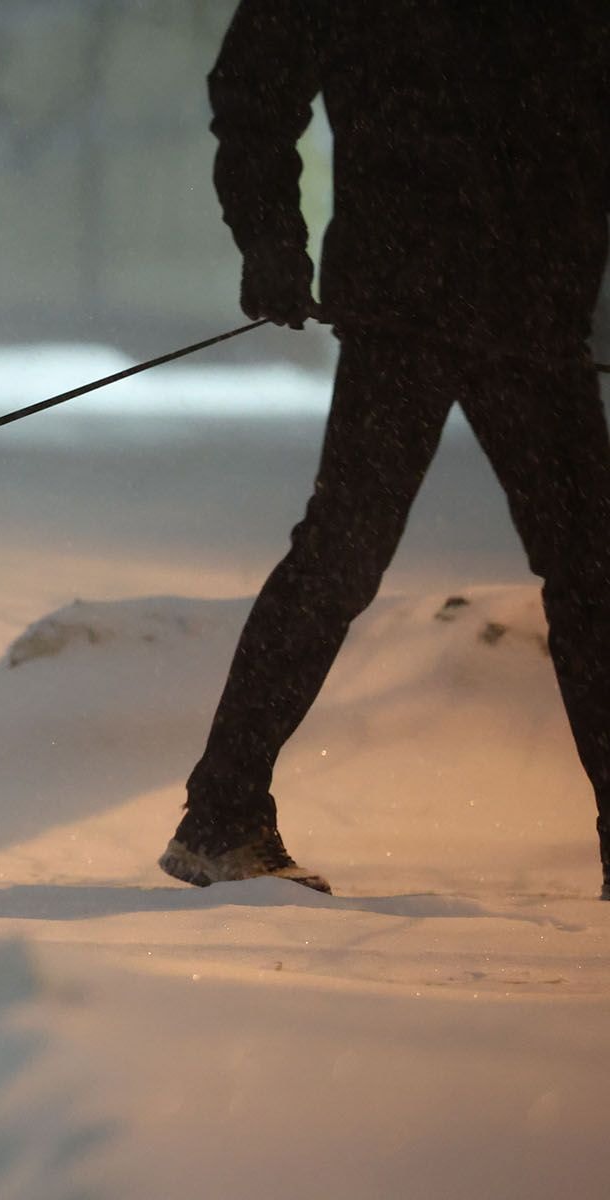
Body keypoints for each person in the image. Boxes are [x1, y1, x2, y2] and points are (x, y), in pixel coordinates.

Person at [161, 2, 610, 898]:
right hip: (469, 296)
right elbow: (255, 86)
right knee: (579, 567)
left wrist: (274, 242)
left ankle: (222, 813)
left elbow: (255, 85)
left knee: (355, 553)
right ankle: (220, 813)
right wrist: (271, 242)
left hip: (472, 295)